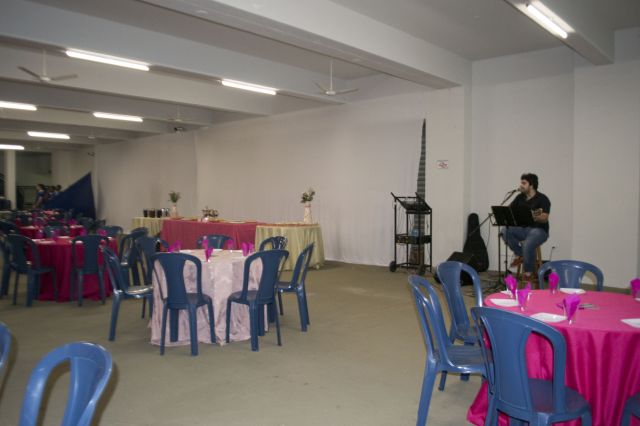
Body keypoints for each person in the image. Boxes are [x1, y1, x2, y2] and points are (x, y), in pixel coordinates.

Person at [500, 173, 550, 280]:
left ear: (531, 185)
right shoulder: (519, 197)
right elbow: (509, 211)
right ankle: (521, 254)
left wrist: (532, 216)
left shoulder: (542, 199)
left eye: (524, 183)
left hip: (539, 230)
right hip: (523, 229)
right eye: (521, 183)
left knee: (528, 243)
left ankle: (528, 272)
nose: (521, 185)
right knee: (504, 230)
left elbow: (545, 217)